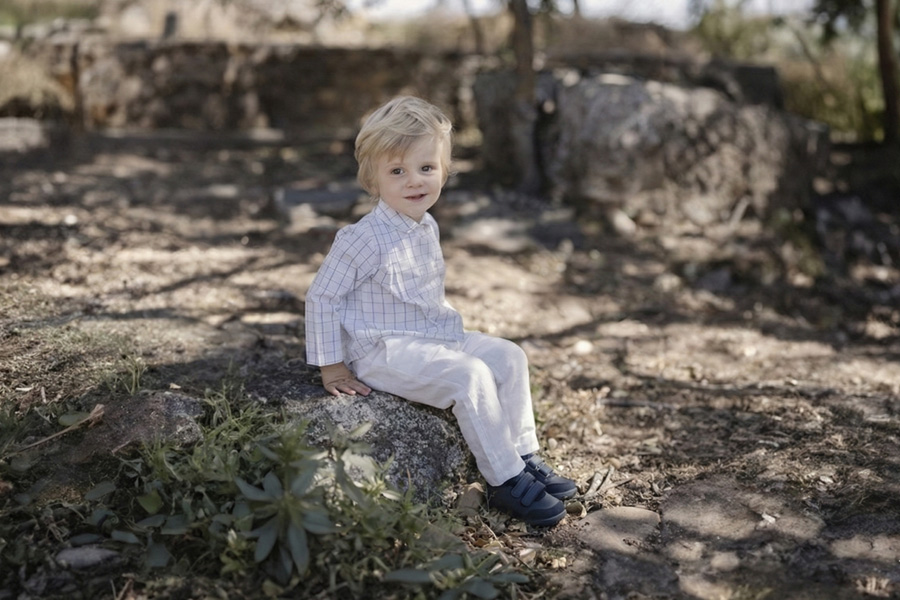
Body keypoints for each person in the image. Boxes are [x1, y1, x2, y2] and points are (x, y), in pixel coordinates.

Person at [304, 96, 576, 527]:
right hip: (383, 350)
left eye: (426, 167)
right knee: (470, 377)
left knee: (510, 356)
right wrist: (332, 366)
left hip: (433, 335)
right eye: (397, 171)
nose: (415, 181)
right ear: (373, 179)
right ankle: (504, 480)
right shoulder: (360, 239)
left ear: (445, 171)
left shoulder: (426, 225)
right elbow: (322, 297)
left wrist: (452, 338)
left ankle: (522, 454)